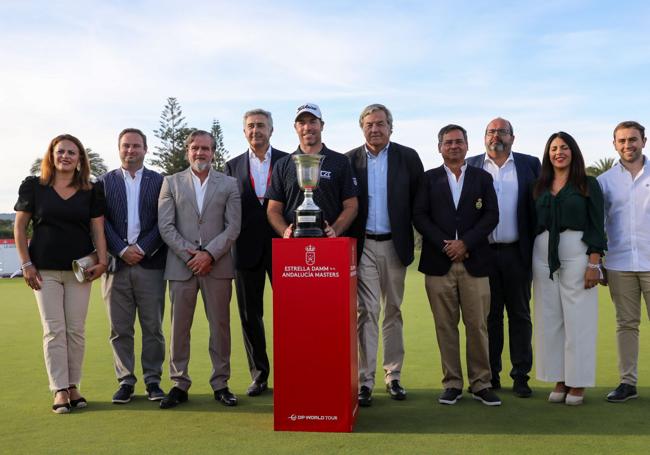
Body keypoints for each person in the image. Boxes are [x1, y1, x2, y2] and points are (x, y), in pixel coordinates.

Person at [14, 134, 108, 413]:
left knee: (75, 331)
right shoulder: (34, 186)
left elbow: (98, 230)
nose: (65, 156)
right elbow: (20, 229)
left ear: (80, 159)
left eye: (72, 152)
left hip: (80, 272)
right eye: (61, 152)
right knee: (54, 331)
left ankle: (73, 385)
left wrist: (102, 261)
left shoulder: (91, 190)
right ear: (51, 155)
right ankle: (59, 389)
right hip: (44, 271)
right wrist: (26, 264)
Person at [414, 124, 501, 406]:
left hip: (475, 262)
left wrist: (465, 243)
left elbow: (491, 215)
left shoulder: (482, 177)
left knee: (477, 325)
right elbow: (420, 216)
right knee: (445, 326)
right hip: (438, 264)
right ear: (439, 147)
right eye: (448, 142)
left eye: (459, 141)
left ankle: (481, 383)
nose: (454, 146)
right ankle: (452, 383)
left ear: (467, 145)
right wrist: (447, 245)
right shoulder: (428, 179)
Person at [346, 104, 423, 406]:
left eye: (380, 124)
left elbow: (419, 203)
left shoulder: (408, 157)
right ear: (361, 127)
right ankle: (365, 380)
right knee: (366, 311)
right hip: (363, 245)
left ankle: (394, 376)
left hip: (395, 244)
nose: (375, 129)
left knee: (393, 310)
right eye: (369, 124)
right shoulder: (349, 160)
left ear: (391, 126)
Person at [158, 130, 241, 408]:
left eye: (205, 148)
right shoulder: (171, 182)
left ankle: (221, 383)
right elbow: (166, 226)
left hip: (217, 267)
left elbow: (233, 227)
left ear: (214, 152)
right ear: (187, 151)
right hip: (182, 267)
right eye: (195, 148)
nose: (200, 153)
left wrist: (209, 255)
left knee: (220, 327)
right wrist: (190, 255)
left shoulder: (229, 184)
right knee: (179, 327)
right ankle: (179, 384)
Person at [466, 118, 540, 397]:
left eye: (502, 131)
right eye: (491, 131)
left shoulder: (529, 165)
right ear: (484, 136)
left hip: (517, 252)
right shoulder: (471, 165)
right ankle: (491, 375)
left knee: (520, 315)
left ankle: (521, 376)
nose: (497, 135)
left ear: (513, 137)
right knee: (489, 318)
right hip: (482, 255)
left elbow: (539, 208)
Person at [532, 131, 606, 406]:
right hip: (542, 255)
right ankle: (560, 379)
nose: (558, 152)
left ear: (573, 151)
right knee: (549, 319)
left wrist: (593, 263)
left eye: (564, 147)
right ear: (547, 154)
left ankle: (578, 382)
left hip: (577, 252)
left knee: (579, 319)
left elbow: (598, 224)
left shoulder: (587, 184)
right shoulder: (539, 186)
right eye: (553, 148)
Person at [100, 128, 167, 404]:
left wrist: (141, 248)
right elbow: (100, 221)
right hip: (116, 267)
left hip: (150, 264)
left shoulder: (160, 181)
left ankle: (153, 380)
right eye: (126, 146)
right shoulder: (103, 182)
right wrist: (120, 249)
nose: (131, 150)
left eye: (136, 146)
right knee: (120, 329)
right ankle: (126, 380)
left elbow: (165, 220)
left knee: (153, 328)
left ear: (145, 149)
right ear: (119, 149)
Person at [225, 109, 287, 396]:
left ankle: (293, 371)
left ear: (271, 130)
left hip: (284, 248)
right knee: (250, 315)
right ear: (244, 131)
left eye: (261, 126)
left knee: (291, 314)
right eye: (250, 126)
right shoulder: (231, 166)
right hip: (246, 250)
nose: (255, 130)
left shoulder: (288, 161)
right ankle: (259, 375)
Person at [598, 121, 649, 403]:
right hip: (619, 263)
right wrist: (599, 261)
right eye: (622, 141)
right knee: (626, 325)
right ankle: (627, 383)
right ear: (614, 144)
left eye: (633, 140)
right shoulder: (605, 181)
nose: (628, 145)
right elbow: (599, 224)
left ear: (644, 140)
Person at [266, 103, 358, 238]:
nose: (307, 127)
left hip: (330, 245)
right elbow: (273, 210)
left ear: (322, 125)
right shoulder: (282, 165)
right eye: (301, 123)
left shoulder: (341, 161)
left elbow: (351, 206)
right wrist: (285, 231)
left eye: (313, 122)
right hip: (294, 245)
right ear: (295, 127)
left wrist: (335, 230)